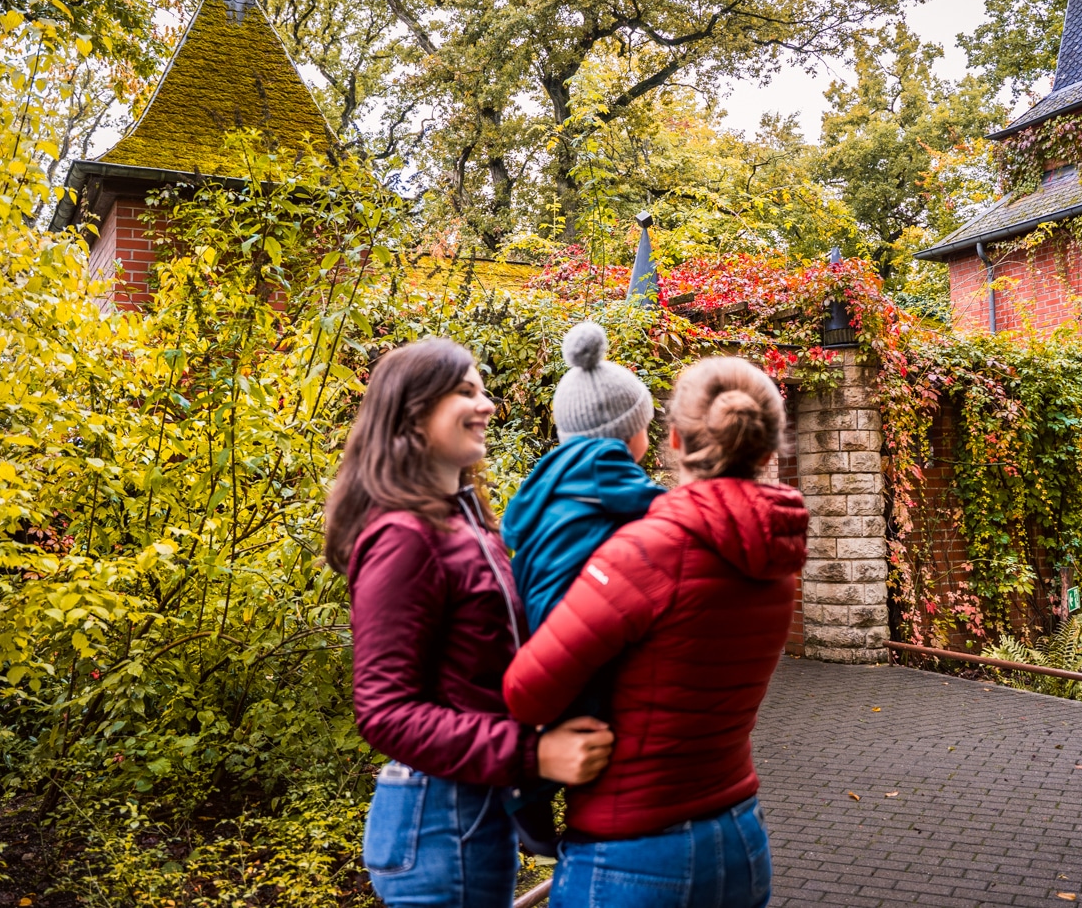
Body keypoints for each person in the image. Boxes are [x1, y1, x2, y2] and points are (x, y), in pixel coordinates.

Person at [503, 356, 809, 908]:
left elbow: (528, 689)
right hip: (738, 833)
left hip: (633, 853)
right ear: (768, 448)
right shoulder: (777, 551)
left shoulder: (649, 550)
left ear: (672, 437)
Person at [323, 338, 615, 908]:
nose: (486, 406)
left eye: (483, 391)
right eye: (465, 392)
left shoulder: (466, 522)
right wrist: (534, 754)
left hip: (474, 810)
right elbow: (385, 711)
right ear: (412, 411)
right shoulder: (403, 537)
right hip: (436, 822)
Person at [498, 321, 668, 855]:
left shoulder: (550, 481)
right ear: (628, 432)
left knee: (563, 707)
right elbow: (668, 516)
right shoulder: (611, 476)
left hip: (535, 618)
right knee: (590, 711)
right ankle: (528, 792)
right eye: (646, 423)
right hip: (570, 613)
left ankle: (529, 803)